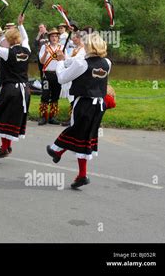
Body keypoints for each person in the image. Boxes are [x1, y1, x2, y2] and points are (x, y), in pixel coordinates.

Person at [46, 32, 111, 189]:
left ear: (89, 46)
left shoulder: (82, 63)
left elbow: (62, 78)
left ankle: (57, 150)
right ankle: (80, 173)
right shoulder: (107, 63)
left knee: (76, 131)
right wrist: (68, 60)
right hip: (99, 106)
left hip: (84, 103)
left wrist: (61, 61)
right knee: (84, 136)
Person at [0, 14, 31, 158]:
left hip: (11, 90)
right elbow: (27, 39)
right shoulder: (27, 50)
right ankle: (5, 147)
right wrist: (21, 25)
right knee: (10, 119)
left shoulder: (7, 53)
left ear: (9, 40)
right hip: (25, 90)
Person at [59, 30, 87, 126]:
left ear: (80, 39)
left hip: (77, 75)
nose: (73, 38)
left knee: (74, 96)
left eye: (75, 37)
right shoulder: (77, 48)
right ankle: (72, 117)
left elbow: (76, 61)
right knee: (72, 96)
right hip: (73, 73)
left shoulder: (83, 50)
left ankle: (74, 118)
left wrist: (64, 60)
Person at [38, 28, 65, 125]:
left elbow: (65, 61)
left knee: (55, 96)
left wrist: (62, 55)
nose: (54, 38)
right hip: (47, 74)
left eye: (56, 36)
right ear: (49, 37)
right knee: (45, 95)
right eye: (52, 36)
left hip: (57, 74)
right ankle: (43, 116)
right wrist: (45, 52)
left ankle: (52, 116)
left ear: (58, 38)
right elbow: (41, 61)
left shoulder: (62, 47)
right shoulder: (44, 47)